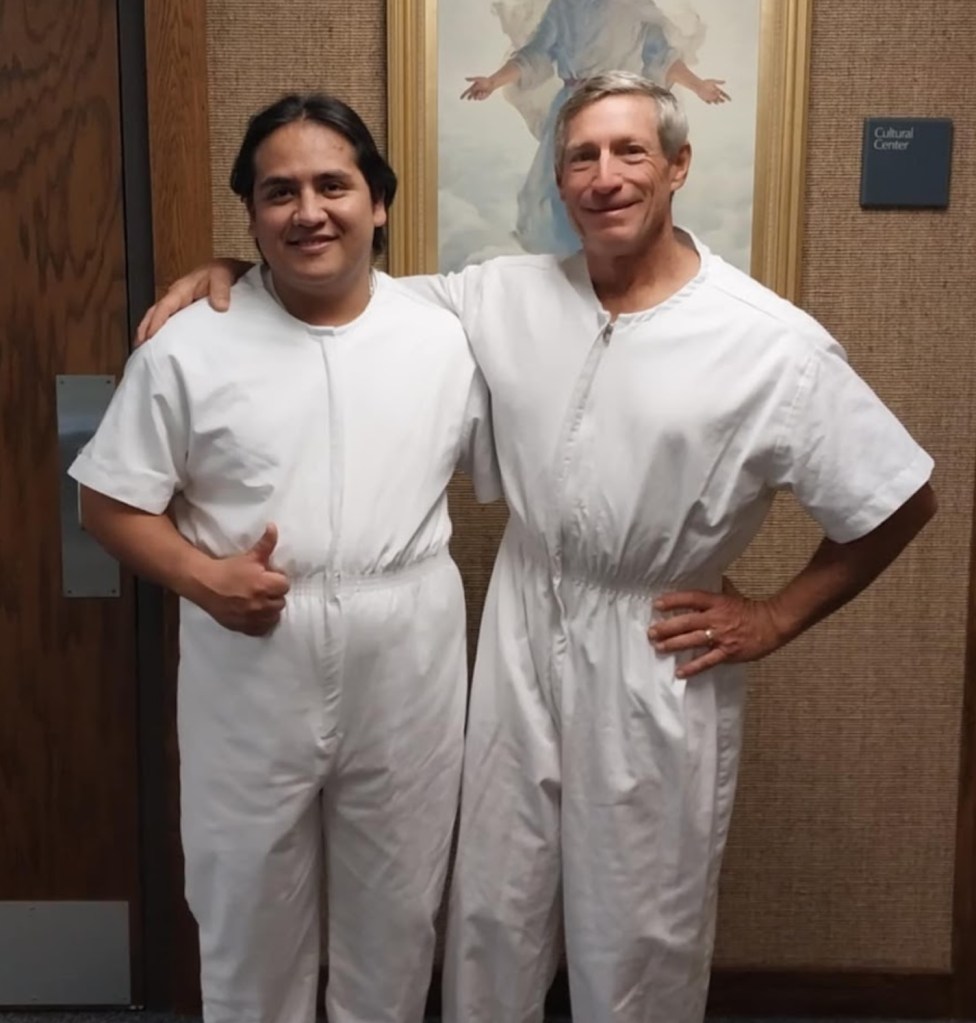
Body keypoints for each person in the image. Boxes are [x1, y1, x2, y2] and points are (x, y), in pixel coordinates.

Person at [137, 73, 937, 1023]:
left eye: (630, 151)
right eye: (581, 156)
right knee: (492, 909)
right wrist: (233, 269)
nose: (606, 176)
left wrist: (773, 617)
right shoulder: (501, 295)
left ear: (679, 165)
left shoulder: (770, 343)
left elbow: (899, 497)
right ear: (559, 180)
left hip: (652, 643)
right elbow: (342, 292)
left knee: (638, 925)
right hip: (520, 629)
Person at [71, 93, 499, 1023]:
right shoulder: (191, 345)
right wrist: (204, 578)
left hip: (407, 650)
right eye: (280, 192)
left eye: (332, 185)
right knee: (245, 907)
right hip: (249, 651)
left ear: (378, 202)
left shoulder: (444, 339)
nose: (309, 212)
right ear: (253, 213)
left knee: (397, 912)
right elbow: (106, 501)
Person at [460, 0, 729, 254]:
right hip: (572, 110)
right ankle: (567, 273)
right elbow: (535, 54)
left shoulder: (634, 4)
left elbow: (663, 58)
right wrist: (493, 82)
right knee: (558, 197)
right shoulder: (564, 5)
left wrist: (699, 86)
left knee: (617, 189)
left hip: (620, 111)